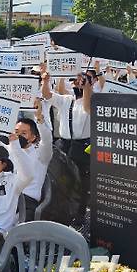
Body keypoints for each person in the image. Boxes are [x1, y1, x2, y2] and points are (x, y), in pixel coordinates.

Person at [41, 69, 92, 220]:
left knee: (80, 179)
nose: (77, 83)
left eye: (80, 80)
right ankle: (62, 211)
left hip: (81, 145)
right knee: (60, 177)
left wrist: (87, 86)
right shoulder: (66, 99)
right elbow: (47, 94)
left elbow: (88, 108)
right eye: (75, 80)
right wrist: (45, 80)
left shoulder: (91, 99)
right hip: (64, 143)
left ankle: (79, 213)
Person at [9, 101, 53, 221]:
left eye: (23, 133)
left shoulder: (41, 154)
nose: (18, 136)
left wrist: (39, 119)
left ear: (33, 137)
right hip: (7, 197)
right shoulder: (9, 149)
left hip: (27, 200)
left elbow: (47, 140)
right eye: (16, 132)